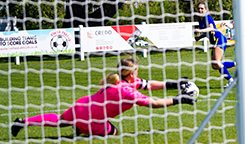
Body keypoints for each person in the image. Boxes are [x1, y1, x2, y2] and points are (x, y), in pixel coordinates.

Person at [11, 58, 195, 137]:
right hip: (90, 119)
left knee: (60, 120)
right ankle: (83, 128)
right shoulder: (127, 92)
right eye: (137, 70)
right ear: (131, 74)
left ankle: (23, 122)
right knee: (113, 131)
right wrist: (181, 99)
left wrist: (175, 84)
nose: (139, 73)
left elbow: (150, 84)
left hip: (80, 106)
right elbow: (154, 103)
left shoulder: (117, 81)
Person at [194, 1, 235, 88]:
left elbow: (211, 28)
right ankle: (236, 64)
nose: (200, 10)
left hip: (219, 39)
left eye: (202, 8)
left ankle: (231, 81)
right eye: (199, 8)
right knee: (214, 65)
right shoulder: (200, 20)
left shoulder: (207, 17)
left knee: (217, 62)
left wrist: (200, 31)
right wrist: (200, 37)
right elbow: (206, 32)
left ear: (206, 10)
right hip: (214, 41)